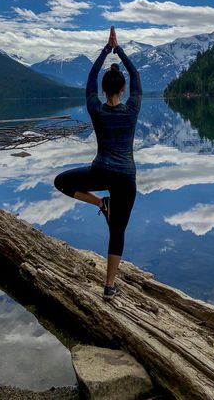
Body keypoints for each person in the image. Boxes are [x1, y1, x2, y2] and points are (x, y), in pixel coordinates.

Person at [53, 26, 142, 301]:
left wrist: (106, 50)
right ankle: (109, 286)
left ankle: (100, 203)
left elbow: (90, 79)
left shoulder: (95, 108)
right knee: (117, 232)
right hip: (126, 177)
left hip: (101, 171)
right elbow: (136, 76)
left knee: (61, 182)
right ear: (124, 88)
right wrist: (120, 50)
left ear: (104, 89)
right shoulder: (133, 107)